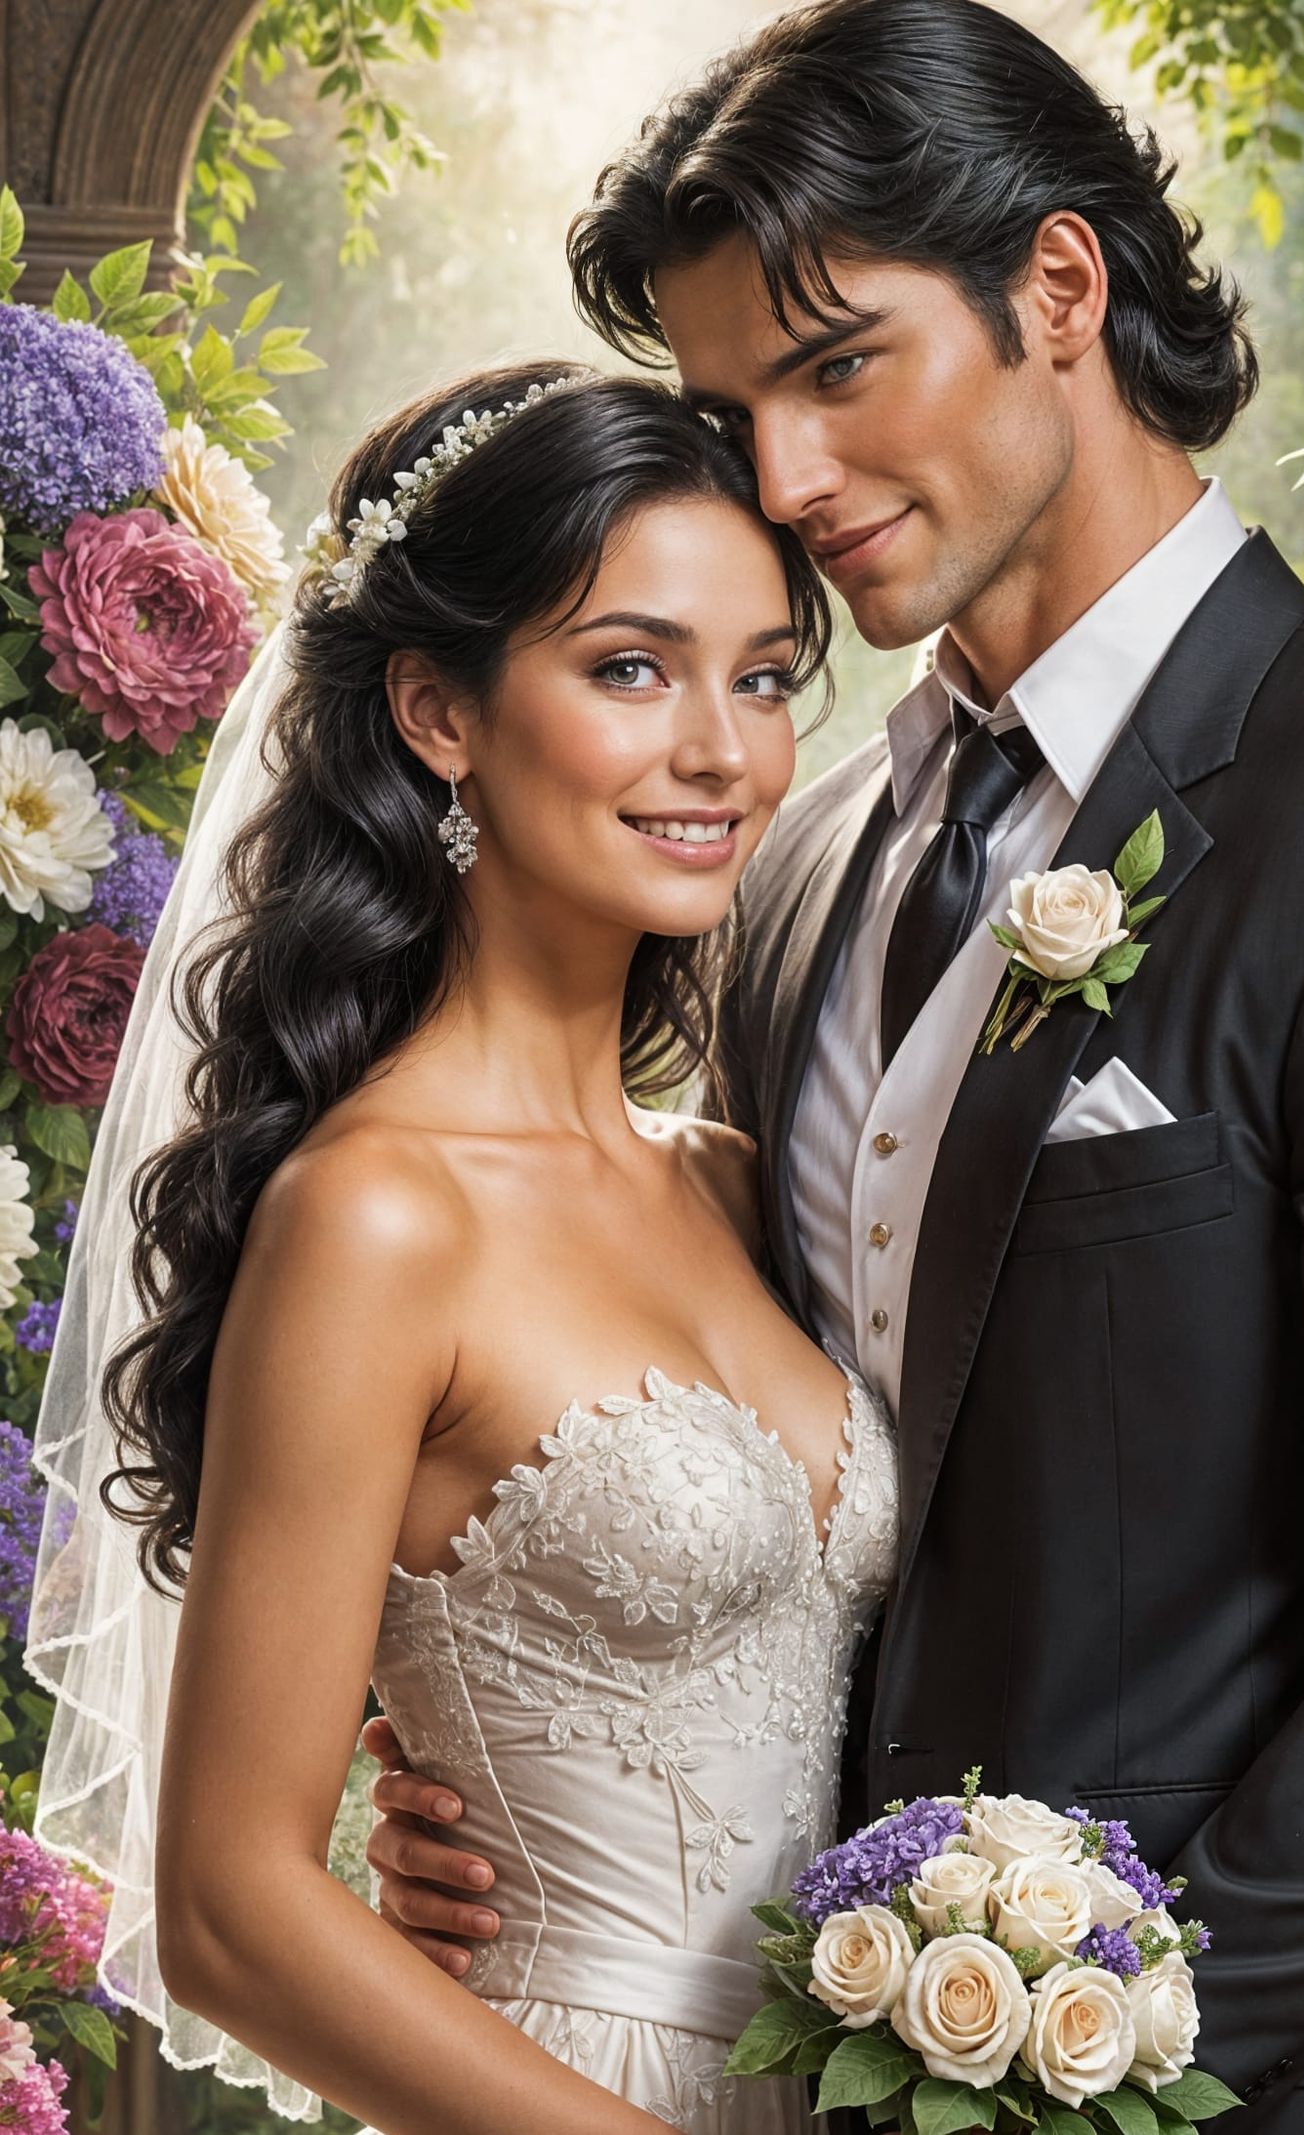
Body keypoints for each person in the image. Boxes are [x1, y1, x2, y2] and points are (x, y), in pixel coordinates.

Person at [365, 4, 1304, 2129]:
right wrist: (517, 1754)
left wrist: (1069, 2068)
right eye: (728, 403)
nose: (780, 479)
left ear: (1054, 290)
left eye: (837, 366)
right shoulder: (797, 844)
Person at [26, 360, 898, 2135]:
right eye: (631, 667)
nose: (721, 751)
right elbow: (223, 1913)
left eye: (765, 678)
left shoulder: (736, 1179)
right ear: (437, 709)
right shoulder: (378, 1213)